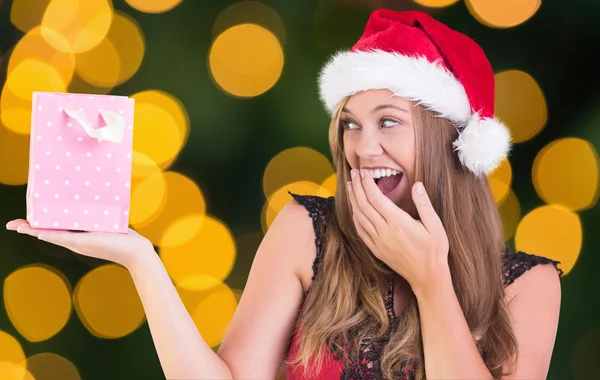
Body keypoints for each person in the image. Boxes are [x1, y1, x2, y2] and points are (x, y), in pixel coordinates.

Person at [6, 8, 562, 380]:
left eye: (388, 122)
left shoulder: (529, 285)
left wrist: (430, 279)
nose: (363, 148)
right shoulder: (307, 232)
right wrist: (140, 259)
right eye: (350, 124)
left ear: (450, 143)